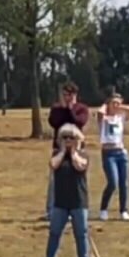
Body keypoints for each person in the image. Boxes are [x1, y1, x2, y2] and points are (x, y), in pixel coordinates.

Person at [41, 123, 90, 257]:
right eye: (65, 137)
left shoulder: (83, 155)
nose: (68, 140)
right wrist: (63, 151)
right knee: (54, 232)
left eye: (72, 137)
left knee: (81, 234)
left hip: (78, 201)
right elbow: (53, 165)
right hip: (60, 202)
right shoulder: (57, 154)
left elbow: (80, 166)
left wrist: (74, 151)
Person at [44, 82, 89, 220]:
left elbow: (79, 121)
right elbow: (54, 122)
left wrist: (70, 109)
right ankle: (52, 209)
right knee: (55, 180)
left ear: (74, 95)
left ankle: (78, 207)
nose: (66, 97)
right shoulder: (57, 109)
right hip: (59, 148)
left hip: (77, 148)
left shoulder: (82, 108)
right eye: (63, 95)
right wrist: (63, 109)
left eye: (68, 95)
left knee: (78, 179)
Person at [97, 93, 129, 221]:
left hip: (121, 152)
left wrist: (120, 106)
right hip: (108, 153)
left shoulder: (121, 117)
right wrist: (107, 104)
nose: (115, 106)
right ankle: (103, 209)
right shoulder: (103, 118)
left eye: (118, 103)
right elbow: (99, 111)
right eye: (113, 103)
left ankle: (123, 211)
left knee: (123, 183)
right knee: (112, 182)